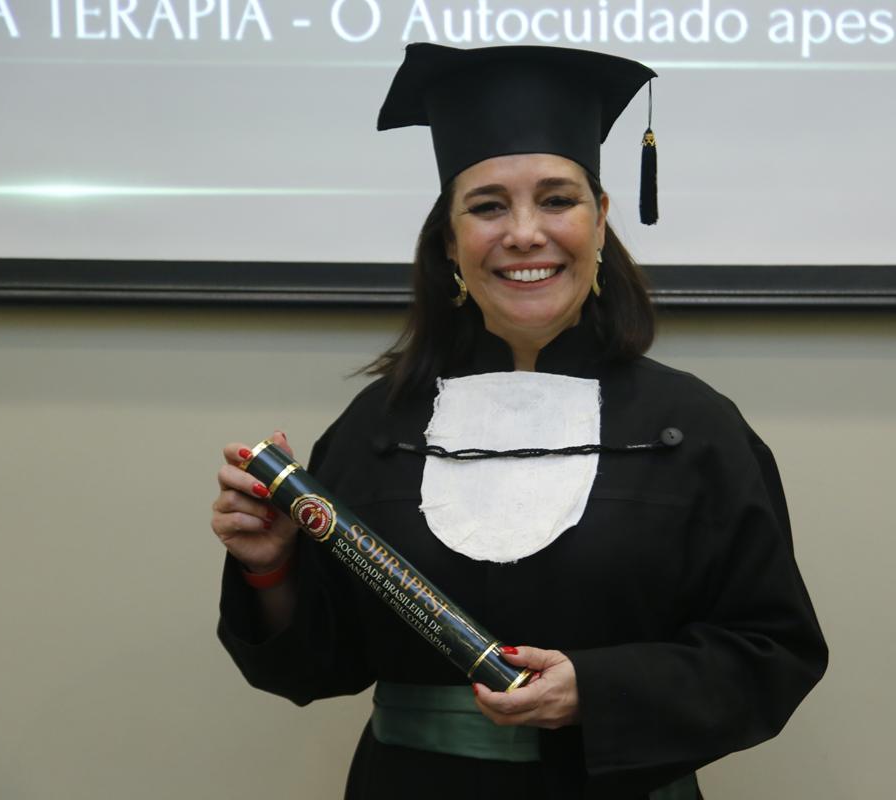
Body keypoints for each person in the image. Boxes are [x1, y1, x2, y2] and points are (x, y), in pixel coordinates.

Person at [211, 43, 827, 800]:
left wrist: (598, 690)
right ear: (449, 239)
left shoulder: (694, 428)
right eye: (488, 206)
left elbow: (773, 652)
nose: (525, 234)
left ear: (600, 220)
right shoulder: (378, 428)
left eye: (558, 200)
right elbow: (315, 666)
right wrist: (271, 568)